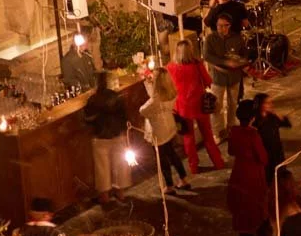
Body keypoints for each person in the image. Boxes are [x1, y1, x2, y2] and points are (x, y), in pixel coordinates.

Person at [168, 39, 224, 172]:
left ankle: (193, 166)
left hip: (182, 106)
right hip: (200, 104)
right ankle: (218, 162)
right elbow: (208, 81)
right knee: (207, 135)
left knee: (188, 137)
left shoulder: (171, 67)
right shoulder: (197, 64)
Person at [81, 71, 132, 202]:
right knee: (120, 164)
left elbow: (87, 119)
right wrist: (122, 131)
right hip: (117, 135)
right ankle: (120, 192)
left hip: (100, 137)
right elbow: (124, 116)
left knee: (102, 168)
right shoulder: (117, 97)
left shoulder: (93, 100)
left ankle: (105, 196)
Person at [142, 67, 193, 195]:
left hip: (158, 133)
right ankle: (184, 179)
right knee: (173, 155)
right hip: (169, 129)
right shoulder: (170, 94)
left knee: (163, 160)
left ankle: (169, 186)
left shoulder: (154, 101)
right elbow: (155, 97)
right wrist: (148, 84)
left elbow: (142, 110)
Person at [227, 100, 271, 236]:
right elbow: (263, 158)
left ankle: (244, 235)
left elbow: (231, 151)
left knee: (241, 205)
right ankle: (260, 234)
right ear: (253, 118)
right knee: (256, 203)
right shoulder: (253, 135)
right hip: (254, 172)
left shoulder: (234, 131)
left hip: (239, 171)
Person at [203, 15, 248, 132]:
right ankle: (218, 131)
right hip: (218, 78)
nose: (222, 28)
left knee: (233, 104)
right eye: (219, 26)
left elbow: (245, 55)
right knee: (217, 106)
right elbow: (207, 56)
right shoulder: (211, 39)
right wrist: (225, 62)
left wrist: (241, 62)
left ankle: (231, 127)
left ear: (230, 25)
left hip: (234, 77)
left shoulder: (237, 38)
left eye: (225, 25)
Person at [251, 93, 291, 190]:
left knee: (279, 175)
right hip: (265, 152)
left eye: (271, 102)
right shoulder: (255, 122)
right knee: (267, 177)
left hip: (276, 152)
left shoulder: (272, 117)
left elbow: (287, 124)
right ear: (260, 105)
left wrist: (279, 115)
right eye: (267, 103)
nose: (270, 105)